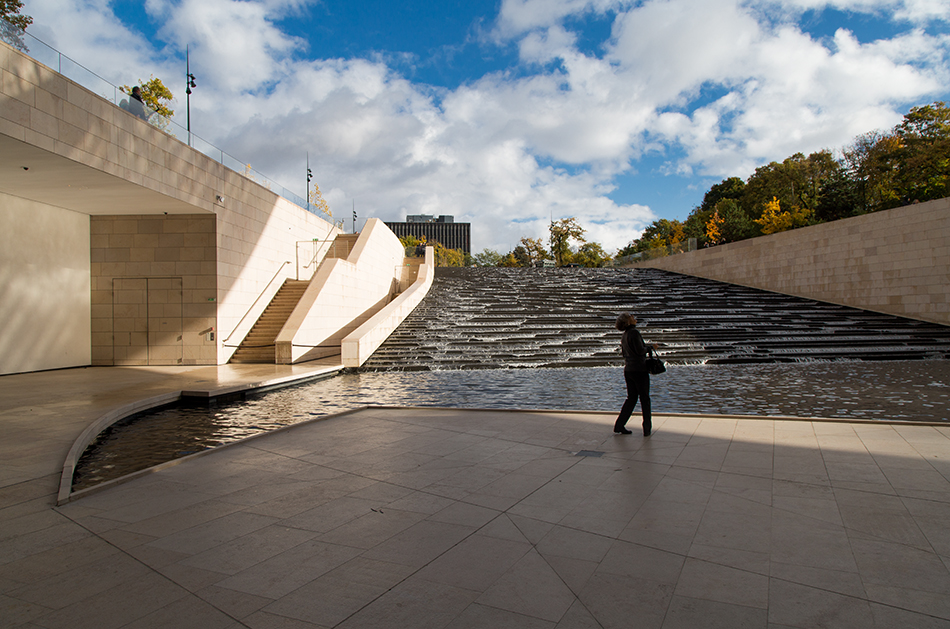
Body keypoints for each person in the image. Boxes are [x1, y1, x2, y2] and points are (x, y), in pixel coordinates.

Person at [614, 312, 655, 436]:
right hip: (639, 370)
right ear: (627, 321)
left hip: (629, 370)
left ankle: (619, 425)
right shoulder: (634, 333)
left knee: (631, 398)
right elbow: (640, 351)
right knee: (645, 399)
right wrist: (650, 348)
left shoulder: (624, 335)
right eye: (631, 316)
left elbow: (626, 353)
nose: (634, 317)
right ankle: (646, 428)